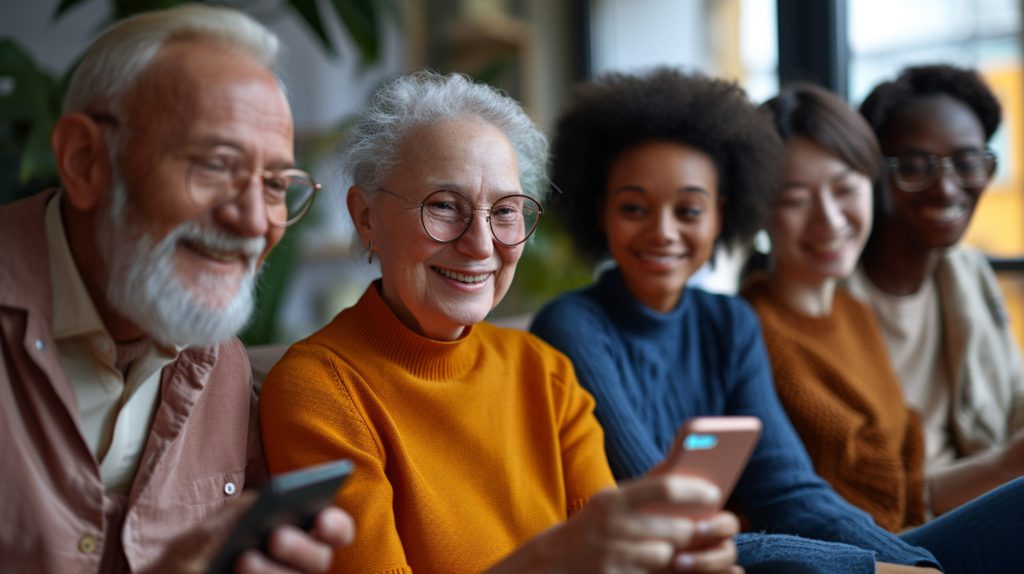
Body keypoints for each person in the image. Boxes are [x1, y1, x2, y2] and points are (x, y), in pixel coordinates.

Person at [260, 70, 744, 574]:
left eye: (506, 210)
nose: (481, 244)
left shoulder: (546, 374)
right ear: (366, 218)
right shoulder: (320, 389)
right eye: (444, 206)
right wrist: (553, 557)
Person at [529, 67, 949, 573]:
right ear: (601, 213)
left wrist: (914, 563)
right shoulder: (573, 326)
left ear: (721, 217)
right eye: (635, 208)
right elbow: (668, 525)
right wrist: (872, 567)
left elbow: (788, 489)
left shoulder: (730, 322)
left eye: (688, 211)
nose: (662, 232)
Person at [0, 5, 352, 572]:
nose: (253, 221)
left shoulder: (223, 364)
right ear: (86, 161)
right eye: (215, 164)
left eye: (275, 185)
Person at [742, 83, 925, 531]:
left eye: (845, 189)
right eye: (795, 199)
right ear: (761, 211)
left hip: (908, 543)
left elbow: (907, 482)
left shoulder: (856, 313)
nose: (829, 219)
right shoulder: (745, 330)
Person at [847, 64, 1024, 515]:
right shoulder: (827, 299)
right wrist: (1005, 468)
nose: (946, 188)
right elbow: (857, 501)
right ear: (872, 173)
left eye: (967, 162)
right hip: (901, 533)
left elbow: (1015, 400)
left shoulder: (965, 272)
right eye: (913, 166)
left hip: (990, 504)